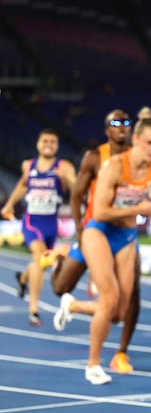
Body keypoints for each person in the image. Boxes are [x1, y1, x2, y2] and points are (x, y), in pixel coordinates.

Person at [51, 108, 151, 374]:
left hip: (126, 235)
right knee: (61, 286)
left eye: (126, 122)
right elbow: (78, 195)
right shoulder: (98, 158)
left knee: (125, 301)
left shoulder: (150, 163)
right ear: (107, 130)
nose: (122, 126)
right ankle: (63, 279)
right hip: (95, 229)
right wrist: (81, 234)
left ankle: (121, 353)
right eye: (116, 122)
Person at [53, 117, 151, 384]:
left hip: (126, 236)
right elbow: (101, 211)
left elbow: (149, 192)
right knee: (109, 297)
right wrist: (138, 209)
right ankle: (93, 365)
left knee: (117, 313)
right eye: (149, 142)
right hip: (99, 231)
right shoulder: (115, 166)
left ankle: (73, 305)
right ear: (135, 140)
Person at [1, 129, 76, 326]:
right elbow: (22, 185)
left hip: (52, 223)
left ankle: (24, 278)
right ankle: (33, 310)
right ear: (38, 144)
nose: (49, 144)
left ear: (57, 146)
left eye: (53, 141)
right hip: (32, 222)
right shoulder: (29, 165)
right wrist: (9, 205)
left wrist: (66, 179)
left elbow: (78, 189)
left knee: (40, 263)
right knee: (41, 258)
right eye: (45, 141)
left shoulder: (64, 166)